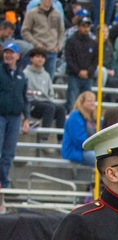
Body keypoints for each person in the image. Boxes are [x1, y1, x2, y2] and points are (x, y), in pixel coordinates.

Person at [0, 42, 27, 187]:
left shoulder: (22, 75)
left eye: (11, 52)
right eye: (6, 52)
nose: (8, 55)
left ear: (17, 56)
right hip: (1, 116)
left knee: (8, 154)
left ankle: (3, 184)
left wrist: (27, 117)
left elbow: (25, 98)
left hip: (15, 118)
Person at [24, 47, 65, 141]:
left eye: (42, 57)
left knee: (61, 109)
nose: (40, 59)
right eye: (37, 56)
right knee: (50, 107)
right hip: (31, 102)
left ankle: (61, 140)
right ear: (31, 58)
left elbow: (50, 93)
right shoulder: (25, 74)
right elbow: (25, 92)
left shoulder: (46, 75)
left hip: (45, 102)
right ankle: (44, 138)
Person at [63, 12, 96, 114]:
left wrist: (88, 72)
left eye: (88, 26)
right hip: (74, 76)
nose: (86, 29)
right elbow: (68, 58)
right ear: (78, 27)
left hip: (88, 77)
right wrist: (78, 71)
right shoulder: (71, 41)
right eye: (83, 26)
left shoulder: (93, 42)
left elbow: (96, 60)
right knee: (72, 101)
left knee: (87, 102)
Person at [21, 0, 62, 77]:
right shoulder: (32, 13)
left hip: (52, 51)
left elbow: (61, 31)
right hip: (36, 51)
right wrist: (36, 43)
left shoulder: (57, 14)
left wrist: (58, 46)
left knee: (49, 80)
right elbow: (25, 31)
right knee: (30, 79)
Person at [61, 90, 96, 167]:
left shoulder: (93, 118)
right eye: (89, 101)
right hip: (76, 151)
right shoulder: (75, 116)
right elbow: (78, 140)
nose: (93, 103)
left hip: (89, 149)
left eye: (93, 101)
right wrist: (94, 147)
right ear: (82, 103)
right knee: (100, 159)